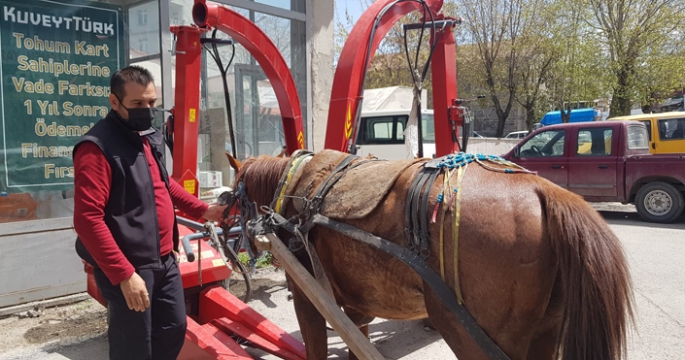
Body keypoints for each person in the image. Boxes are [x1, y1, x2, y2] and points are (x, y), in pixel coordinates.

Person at [72, 65, 226, 359]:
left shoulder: (146, 137)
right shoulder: (96, 149)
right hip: (130, 267)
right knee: (134, 347)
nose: (147, 110)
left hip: (165, 261)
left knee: (173, 330)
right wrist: (124, 274)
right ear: (114, 102)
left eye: (152, 103)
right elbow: (87, 220)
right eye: (138, 104)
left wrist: (205, 210)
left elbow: (164, 185)